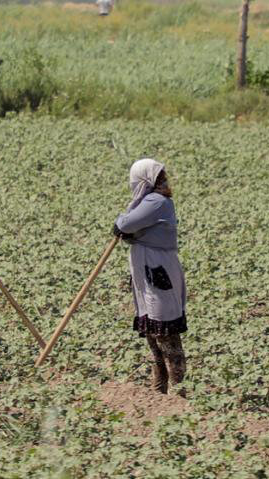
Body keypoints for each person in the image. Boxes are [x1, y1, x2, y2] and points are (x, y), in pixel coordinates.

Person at [112, 158, 187, 395]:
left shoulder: (156, 202)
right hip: (149, 270)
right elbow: (137, 230)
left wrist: (122, 227)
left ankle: (179, 392)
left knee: (166, 332)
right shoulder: (153, 202)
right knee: (155, 334)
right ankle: (159, 392)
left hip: (157, 270)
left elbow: (126, 223)